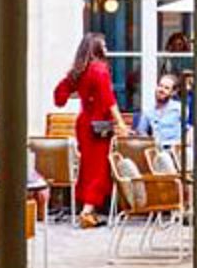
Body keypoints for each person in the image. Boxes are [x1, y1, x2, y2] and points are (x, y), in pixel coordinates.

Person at [54, 32, 128, 228]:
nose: (106, 49)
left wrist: (84, 95)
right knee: (98, 169)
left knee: (87, 167)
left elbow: (59, 96)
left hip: (84, 123)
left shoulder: (79, 70)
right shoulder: (100, 69)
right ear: (96, 48)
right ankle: (87, 211)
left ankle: (88, 210)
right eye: (103, 45)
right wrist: (120, 123)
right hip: (99, 125)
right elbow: (109, 99)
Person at [136, 72, 186, 156]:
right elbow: (141, 132)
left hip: (176, 152)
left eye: (166, 88)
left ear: (173, 92)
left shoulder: (180, 109)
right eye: (160, 86)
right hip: (157, 152)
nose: (161, 90)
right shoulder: (148, 111)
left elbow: (189, 130)